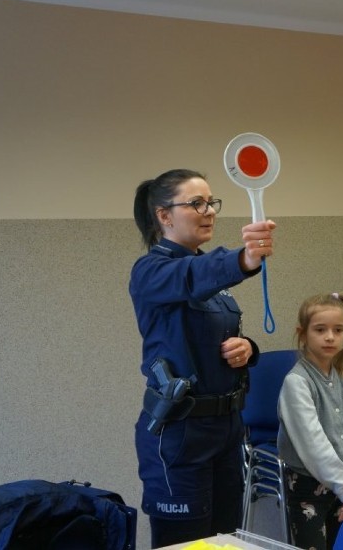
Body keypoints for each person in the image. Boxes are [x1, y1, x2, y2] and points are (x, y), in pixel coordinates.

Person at [129, 168, 276, 547]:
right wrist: (243, 258)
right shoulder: (152, 271)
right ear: (164, 215)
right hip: (181, 433)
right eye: (196, 203)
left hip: (226, 428)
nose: (209, 210)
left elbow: (214, 337)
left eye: (211, 202)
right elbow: (193, 275)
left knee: (224, 540)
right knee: (185, 543)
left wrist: (247, 349)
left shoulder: (213, 279)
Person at [277, 293, 343, 550]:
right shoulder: (297, 383)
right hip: (308, 487)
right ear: (302, 334)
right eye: (320, 330)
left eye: (338, 330)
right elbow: (314, 447)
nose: (330, 337)